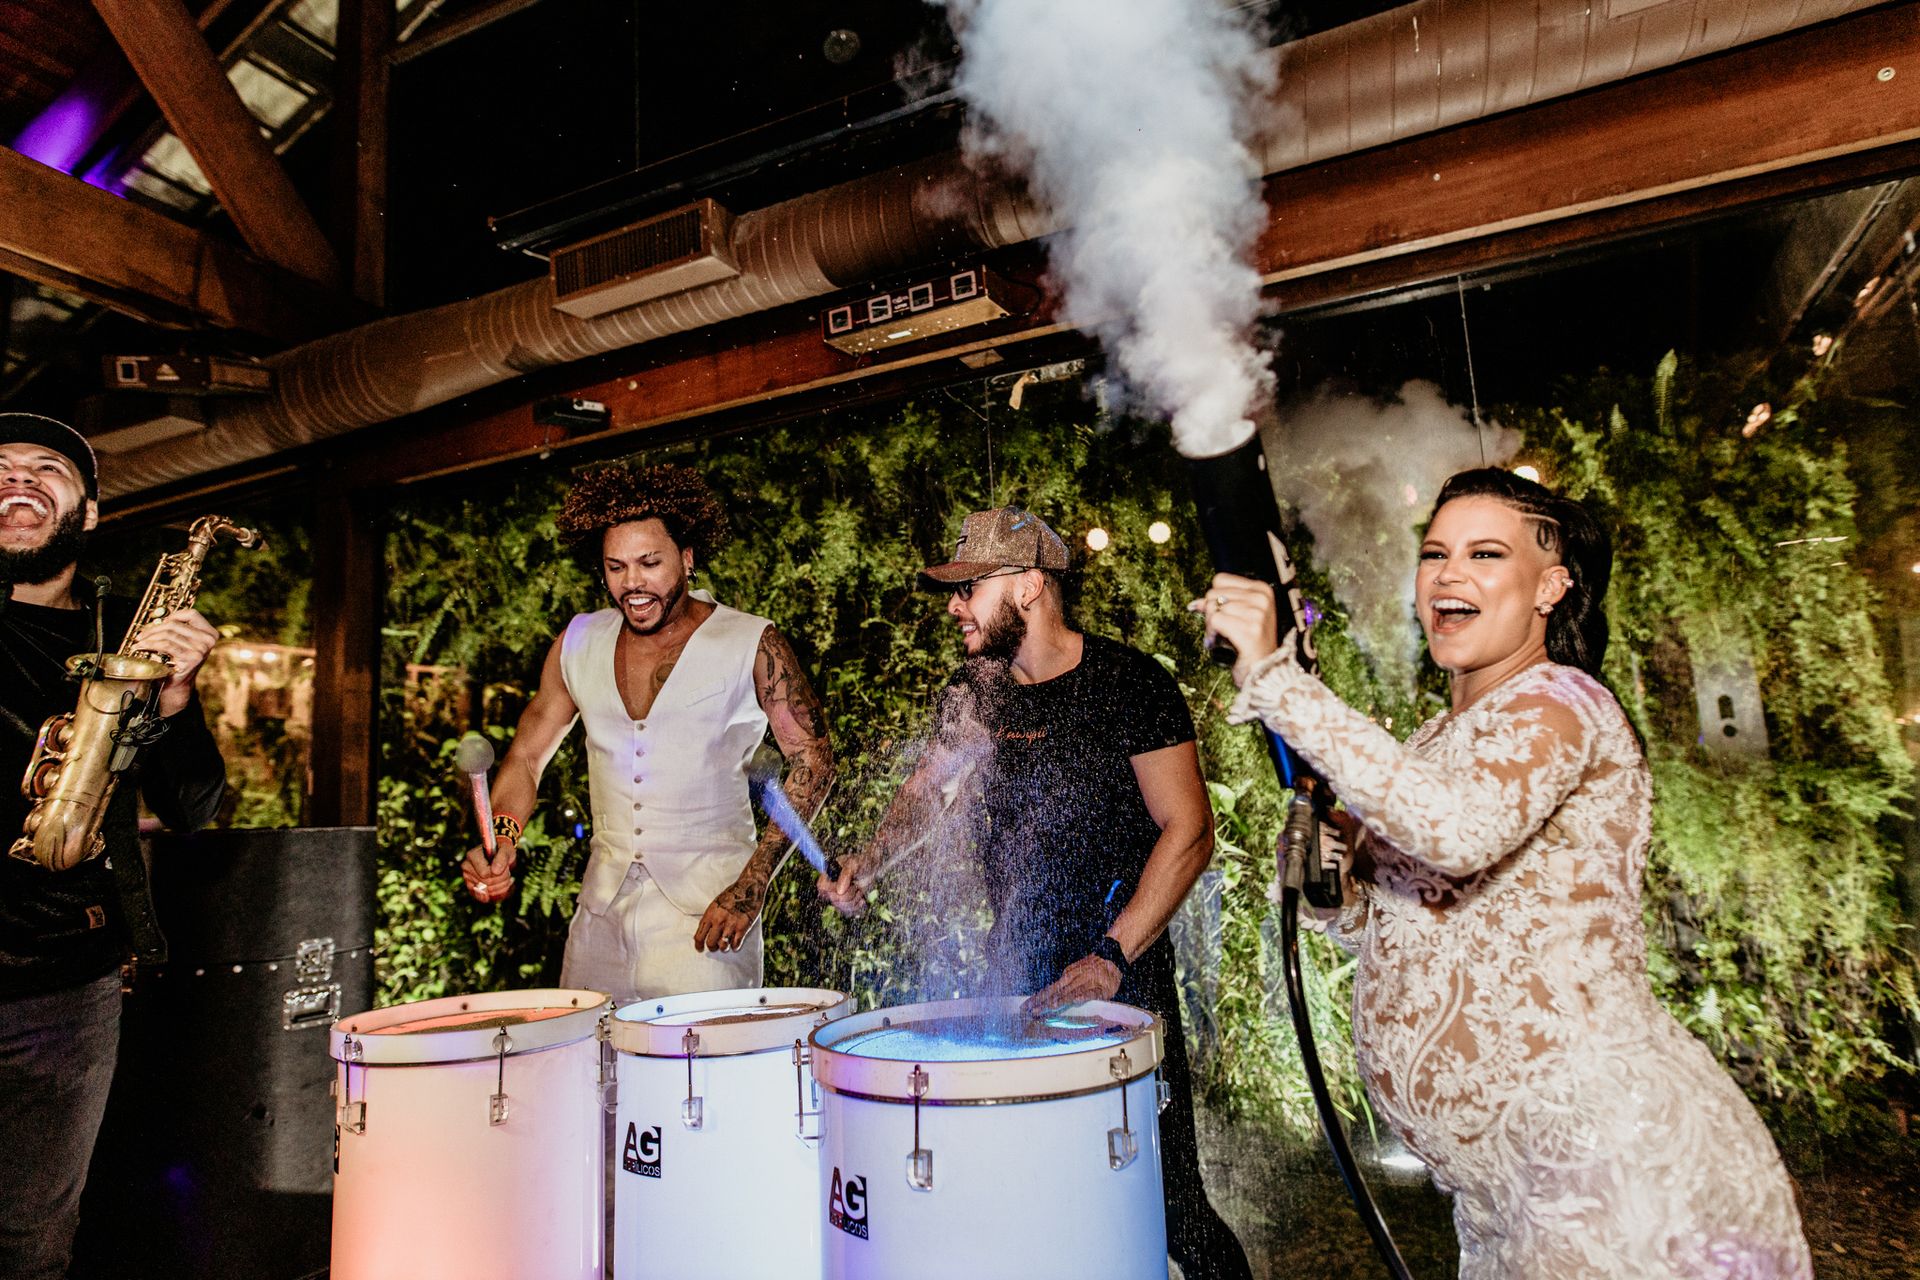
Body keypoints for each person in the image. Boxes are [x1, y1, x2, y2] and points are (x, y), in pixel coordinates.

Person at [1200, 467, 1813, 1279]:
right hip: (1494, 1198)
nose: (1449, 573)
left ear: (1550, 586)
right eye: (1435, 554)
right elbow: (1388, 923)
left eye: (1486, 553)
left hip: (1605, 1164)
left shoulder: (1563, 703)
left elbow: (1455, 832)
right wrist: (1329, 879)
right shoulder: (1428, 745)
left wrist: (1280, 686)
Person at [822, 506, 1254, 1280]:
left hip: (1123, 977)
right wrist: (869, 863)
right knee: (1025, 1187)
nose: (954, 607)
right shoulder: (978, 689)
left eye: (968, 590)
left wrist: (1111, 955)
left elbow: (1188, 830)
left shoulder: (1129, 684)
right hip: (1013, 978)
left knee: (1172, 1203)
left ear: (1028, 587)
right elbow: (928, 792)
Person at [463, 462, 834, 1002]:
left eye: (649, 563)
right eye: (615, 567)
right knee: (589, 1071)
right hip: (599, 919)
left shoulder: (752, 641)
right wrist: (502, 840)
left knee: (695, 1079)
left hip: (710, 920)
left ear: (686, 559)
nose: (631, 583)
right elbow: (524, 757)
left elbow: (814, 760)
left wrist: (752, 888)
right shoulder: (577, 641)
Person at [0, 413, 226, 1280]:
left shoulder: (123, 633)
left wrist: (174, 702)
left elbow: (195, 807)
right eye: (2, 467)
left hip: (63, 988)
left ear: (88, 512)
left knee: (30, 1245)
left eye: (48, 467)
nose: (20, 479)